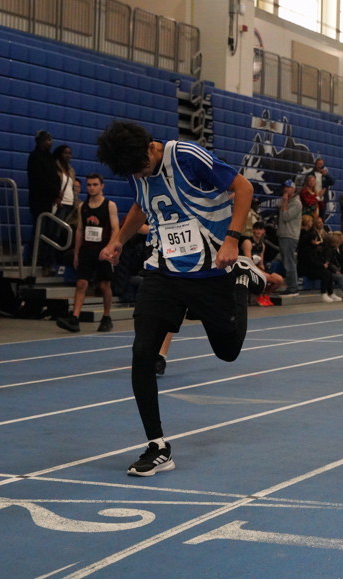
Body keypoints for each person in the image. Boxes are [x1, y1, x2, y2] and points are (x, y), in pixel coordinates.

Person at [96, 121, 267, 477]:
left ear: (150, 147)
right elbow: (141, 206)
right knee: (143, 352)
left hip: (212, 270)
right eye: (132, 173)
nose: (139, 175)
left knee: (228, 351)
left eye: (141, 168)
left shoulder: (185, 156)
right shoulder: (135, 169)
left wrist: (233, 240)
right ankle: (157, 446)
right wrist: (118, 240)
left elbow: (244, 187)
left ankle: (241, 278)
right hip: (164, 270)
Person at [57, 173, 119, 333]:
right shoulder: (82, 207)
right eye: (89, 185)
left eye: (95, 185)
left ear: (102, 186)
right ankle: (74, 318)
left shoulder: (109, 205)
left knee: (104, 285)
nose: (92, 188)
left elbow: (115, 229)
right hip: (87, 250)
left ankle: (106, 316)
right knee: (81, 283)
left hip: (103, 251)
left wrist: (110, 248)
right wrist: (77, 253)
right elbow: (80, 230)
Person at [26, 130, 58, 267]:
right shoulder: (35, 157)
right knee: (39, 229)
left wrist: (56, 193)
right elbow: (39, 179)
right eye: (47, 140)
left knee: (47, 231)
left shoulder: (49, 157)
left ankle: (44, 258)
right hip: (39, 199)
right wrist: (54, 190)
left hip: (49, 199)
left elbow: (54, 176)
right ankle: (33, 258)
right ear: (40, 141)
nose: (50, 142)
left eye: (51, 139)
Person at [240, 221, 284, 304]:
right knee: (271, 278)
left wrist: (264, 271)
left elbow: (261, 263)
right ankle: (259, 295)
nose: (258, 231)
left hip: (257, 269)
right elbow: (248, 262)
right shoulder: (247, 242)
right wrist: (262, 273)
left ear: (264, 231)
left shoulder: (262, 245)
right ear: (253, 230)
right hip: (248, 269)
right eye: (256, 229)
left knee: (279, 280)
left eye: (260, 229)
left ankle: (265, 295)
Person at [298, 214, 335, 302]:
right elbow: (310, 261)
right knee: (326, 273)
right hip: (307, 268)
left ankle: (331, 293)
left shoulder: (312, 247)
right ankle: (323, 293)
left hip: (313, 265)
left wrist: (323, 264)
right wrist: (322, 265)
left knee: (329, 272)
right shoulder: (306, 248)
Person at [277, 179, 301, 296]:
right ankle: (291, 286)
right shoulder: (286, 200)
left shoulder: (297, 203)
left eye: (287, 187)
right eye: (284, 187)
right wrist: (284, 201)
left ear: (293, 189)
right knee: (286, 262)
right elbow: (279, 207)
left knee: (289, 262)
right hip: (283, 234)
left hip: (290, 235)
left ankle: (293, 287)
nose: (285, 189)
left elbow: (286, 216)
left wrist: (285, 202)